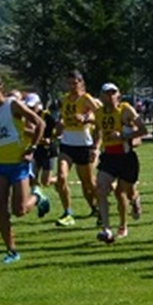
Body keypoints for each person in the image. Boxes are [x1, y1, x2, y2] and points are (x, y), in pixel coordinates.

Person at [0, 73, 49, 264]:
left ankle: (38, 197)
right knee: (0, 207)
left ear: (1, 89)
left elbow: (40, 123)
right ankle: (11, 250)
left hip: (18, 163)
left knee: (19, 210)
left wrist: (32, 148)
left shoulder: (12, 105)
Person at [93, 82, 143, 242]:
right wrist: (95, 148)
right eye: (107, 93)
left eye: (113, 93)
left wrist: (123, 136)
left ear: (118, 95)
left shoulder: (125, 110)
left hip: (126, 157)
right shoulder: (98, 113)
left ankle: (134, 202)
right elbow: (98, 132)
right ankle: (106, 229)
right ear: (101, 96)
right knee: (101, 188)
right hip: (109, 156)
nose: (110, 97)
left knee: (124, 192)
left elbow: (142, 130)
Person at [52, 71, 101, 227]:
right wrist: (60, 124)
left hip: (84, 144)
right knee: (61, 177)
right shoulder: (65, 99)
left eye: (75, 83)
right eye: (69, 83)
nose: (72, 86)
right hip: (67, 144)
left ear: (81, 83)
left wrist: (85, 118)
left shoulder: (86, 99)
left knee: (89, 184)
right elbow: (63, 118)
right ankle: (68, 213)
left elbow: (99, 116)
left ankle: (100, 209)